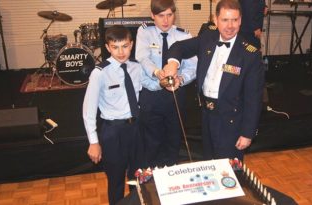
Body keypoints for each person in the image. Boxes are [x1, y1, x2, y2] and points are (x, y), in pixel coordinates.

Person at [163, 0, 265, 161]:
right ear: (215, 20)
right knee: (211, 166)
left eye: (235, 20)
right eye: (225, 20)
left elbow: (254, 99)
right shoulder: (207, 38)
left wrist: (247, 133)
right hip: (206, 116)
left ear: (240, 20)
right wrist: (172, 64)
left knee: (229, 175)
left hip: (231, 122)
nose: (230, 26)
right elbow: (178, 47)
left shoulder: (250, 54)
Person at [82, 25, 142, 205]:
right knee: (116, 180)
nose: (121, 52)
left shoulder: (136, 67)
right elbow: (88, 110)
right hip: (113, 132)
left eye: (125, 46)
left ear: (131, 45)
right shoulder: (99, 73)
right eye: (115, 47)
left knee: (138, 177)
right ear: (108, 48)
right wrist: (93, 142)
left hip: (136, 129)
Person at [135, 0, 197, 167]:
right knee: (151, 142)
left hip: (176, 95)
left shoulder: (184, 35)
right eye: (161, 16)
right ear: (152, 16)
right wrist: (157, 72)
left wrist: (181, 79)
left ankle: (170, 180)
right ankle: (150, 183)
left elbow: (193, 67)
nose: (166, 20)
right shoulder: (145, 32)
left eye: (170, 15)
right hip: (152, 95)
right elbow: (142, 57)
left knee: (173, 141)